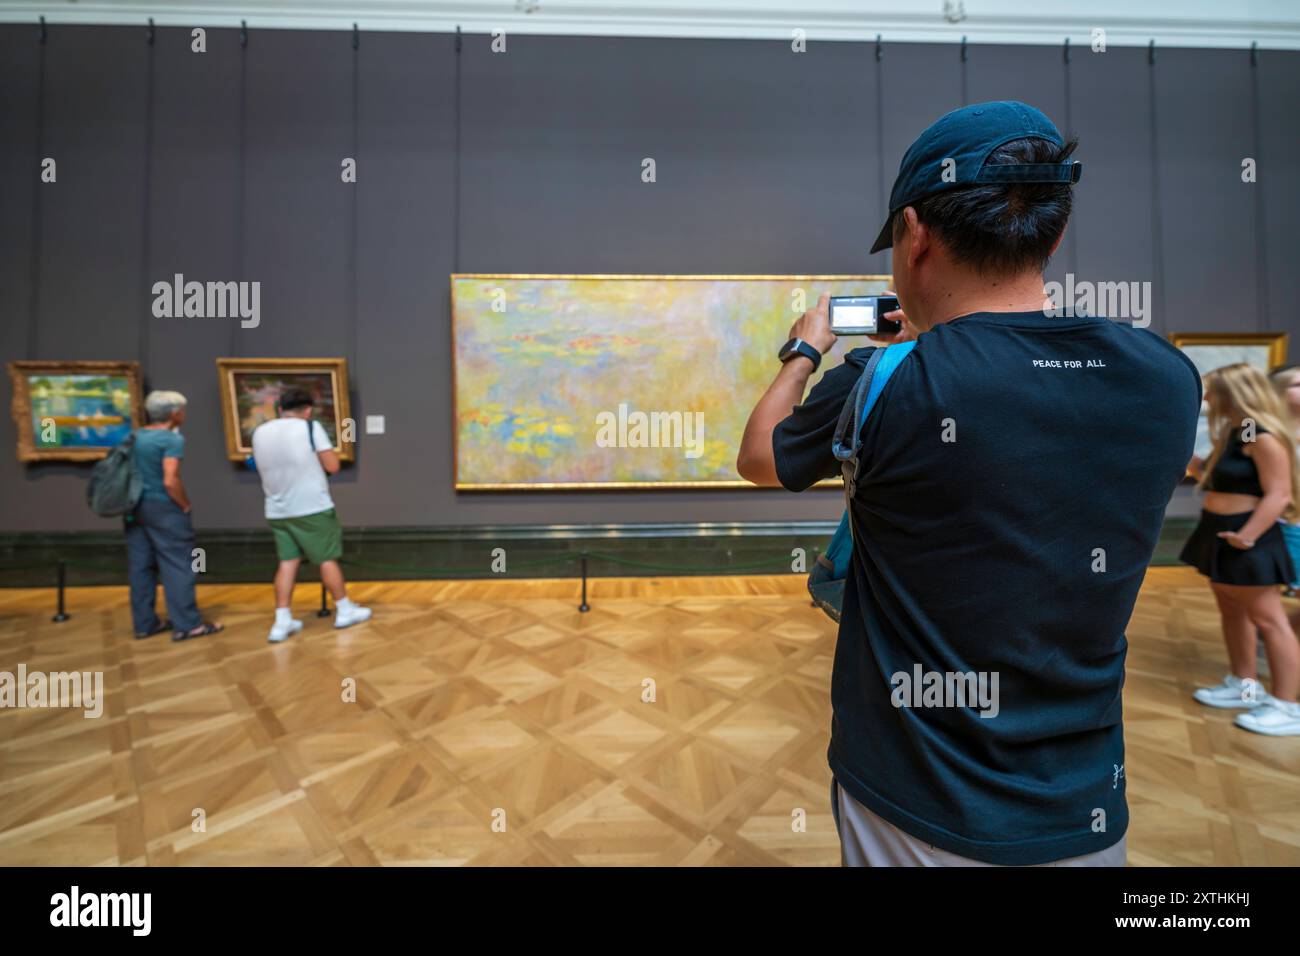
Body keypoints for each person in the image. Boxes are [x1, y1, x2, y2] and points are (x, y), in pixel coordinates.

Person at [738, 101, 1201, 866]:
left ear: (916, 235)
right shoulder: (1164, 377)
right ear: (1051, 231)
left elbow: (761, 458)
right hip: (1082, 805)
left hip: (914, 797)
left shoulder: (882, 377)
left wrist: (804, 347)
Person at [1182, 364, 1300, 734]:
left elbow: (1279, 493)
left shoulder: (1262, 435)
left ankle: (1287, 705)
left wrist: (1248, 536)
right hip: (1221, 532)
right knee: (1233, 611)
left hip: (1248, 535)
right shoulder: (1238, 433)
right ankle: (1244, 685)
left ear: (1233, 393)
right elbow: (1215, 476)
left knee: (1270, 619)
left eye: (1212, 392)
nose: (1206, 399)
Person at [250, 387, 370, 643]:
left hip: (277, 509)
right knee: (327, 558)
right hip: (312, 507)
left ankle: (282, 621)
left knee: (287, 562)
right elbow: (333, 466)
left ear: (280, 409)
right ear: (307, 410)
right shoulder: (309, 428)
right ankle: (344, 609)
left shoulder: (260, 431)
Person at [126, 390, 224, 641]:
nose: (184, 414)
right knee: (180, 564)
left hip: (134, 508)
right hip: (163, 508)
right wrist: (185, 504)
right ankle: (189, 624)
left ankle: (144, 624)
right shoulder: (170, 440)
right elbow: (170, 480)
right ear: (173, 413)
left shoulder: (135, 436)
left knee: (141, 567)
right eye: (182, 409)